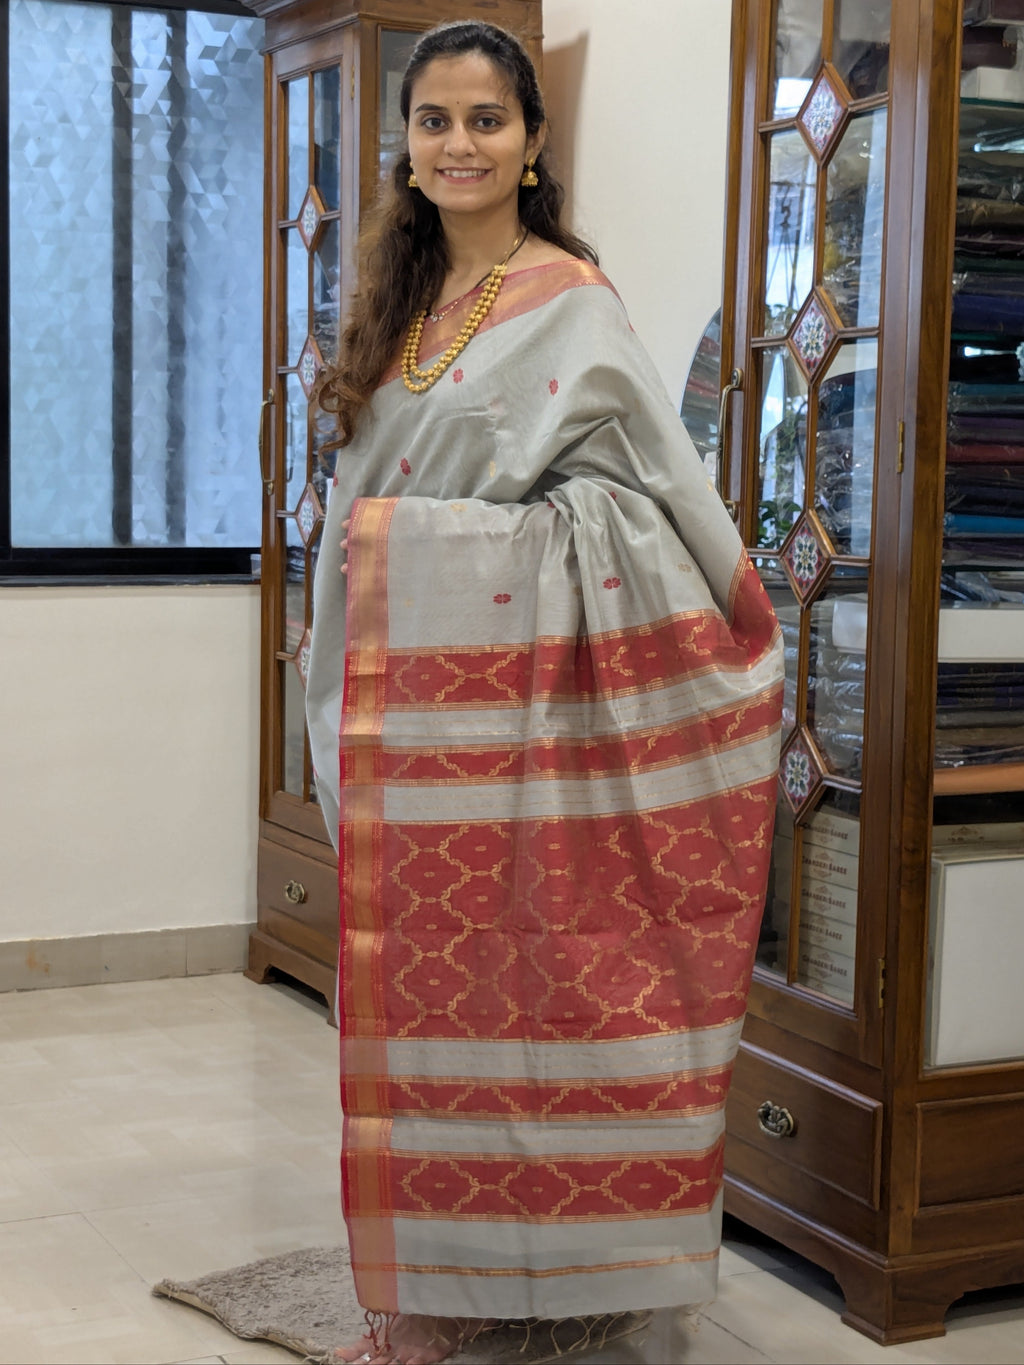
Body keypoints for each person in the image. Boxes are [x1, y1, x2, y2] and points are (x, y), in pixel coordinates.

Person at [305, 20, 784, 1365]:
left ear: (533, 142)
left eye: (486, 121)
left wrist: (445, 556)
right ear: (406, 142)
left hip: (521, 711)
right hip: (389, 701)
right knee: (416, 1003)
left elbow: (651, 499)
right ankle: (435, 1280)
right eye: (435, 122)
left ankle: (540, 1280)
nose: (458, 146)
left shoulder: (572, 300)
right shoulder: (394, 298)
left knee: (540, 987)